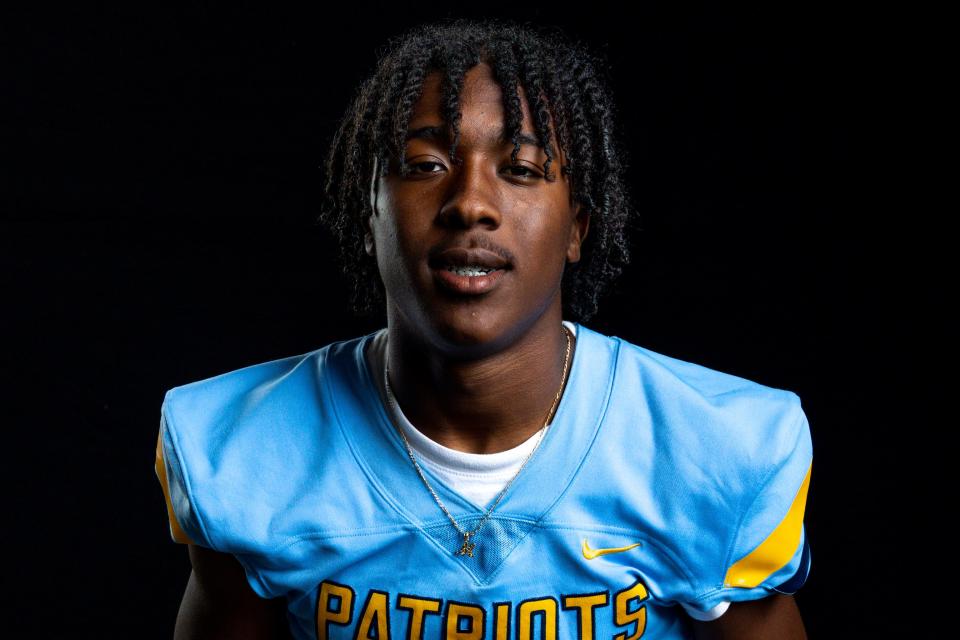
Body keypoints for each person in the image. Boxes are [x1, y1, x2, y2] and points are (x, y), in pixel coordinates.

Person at [155, 18, 812, 640]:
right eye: (424, 165)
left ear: (577, 228)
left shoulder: (717, 448)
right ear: (367, 217)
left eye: (521, 170)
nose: (470, 203)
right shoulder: (244, 449)